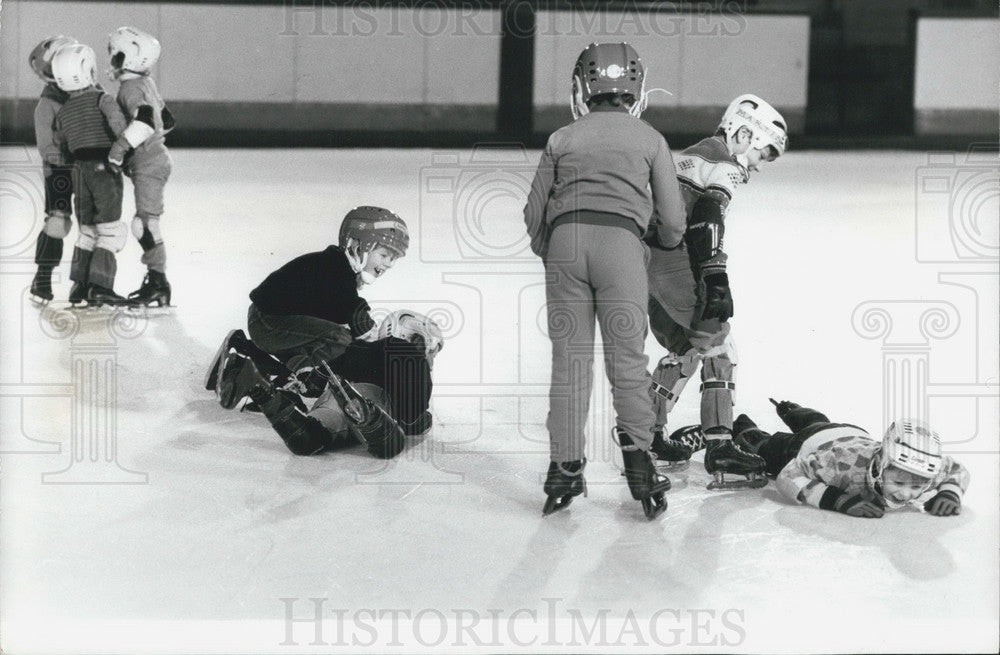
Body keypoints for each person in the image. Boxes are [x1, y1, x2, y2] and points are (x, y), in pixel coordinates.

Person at [523, 42, 687, 520]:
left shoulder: (561, 138)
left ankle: (564, 470)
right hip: (622, 250)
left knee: (569, 365)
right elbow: (673, 222)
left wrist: (552, 251)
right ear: (636, 90)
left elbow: (533, 213)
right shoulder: (651, 140)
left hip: (566, 248)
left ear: (581, 89)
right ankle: (639, 470)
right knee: (628, 365)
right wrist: (649, 243)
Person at [203, 207, 441, 458]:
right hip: (270, 322)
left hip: (279, 328)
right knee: (336, 342)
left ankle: (251, 365)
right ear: (357, 244)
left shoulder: (336, 272)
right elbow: (355, 313)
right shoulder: (337, 270)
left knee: (322, 374)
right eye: (385, 254)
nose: (390, 264)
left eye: (394, 258)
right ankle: (282, 383)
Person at [645, 94, 788, 490]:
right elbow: (707, 216)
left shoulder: (689, 155)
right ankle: (720, 447)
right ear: (743, 133)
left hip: (643, 263)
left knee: (687, 349)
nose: (760, 165)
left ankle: (649, 437)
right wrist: (715, 274)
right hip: (671, 264)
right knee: (720, 350)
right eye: (763, 152)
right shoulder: (724, 163)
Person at [729, 400, 970, 518]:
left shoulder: (923, 468)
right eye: (898, 483)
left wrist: (949, 492)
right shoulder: (841, 464)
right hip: (810, 444)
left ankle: (793, 410)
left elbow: (956, 470)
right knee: (760, 446)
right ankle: (743, 425)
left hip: (852, 432)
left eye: (917, 487)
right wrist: (838, 500)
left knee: (818, 420)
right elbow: (790, 474)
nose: (906, 495)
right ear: (880, 466)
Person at [50, 43, 131, 306]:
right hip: (103, 169)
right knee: (109, 231)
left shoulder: (63, 113)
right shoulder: (102, 99)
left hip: (78, 172)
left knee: (87, 231)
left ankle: (79, 287)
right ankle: (100, 286)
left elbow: (61, 145)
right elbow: (121, 128)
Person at [107, 26, 176, 306]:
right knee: (144, 223)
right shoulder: (145, 82)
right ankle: (157, 279)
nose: (111, 59)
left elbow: (146, 122)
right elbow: (166, 120)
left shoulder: (130, 87)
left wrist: (120, 148)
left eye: (115, 54)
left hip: (149, 165)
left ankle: (158, 282)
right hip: (154, 160)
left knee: (144, 224)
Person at [28, 35, 77, 303]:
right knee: (58, 221)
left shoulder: (83, 93)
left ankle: (87, 282)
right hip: (59, 170)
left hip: (84, 168)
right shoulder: (47, 104)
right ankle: (43, 276)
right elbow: (46, 145)